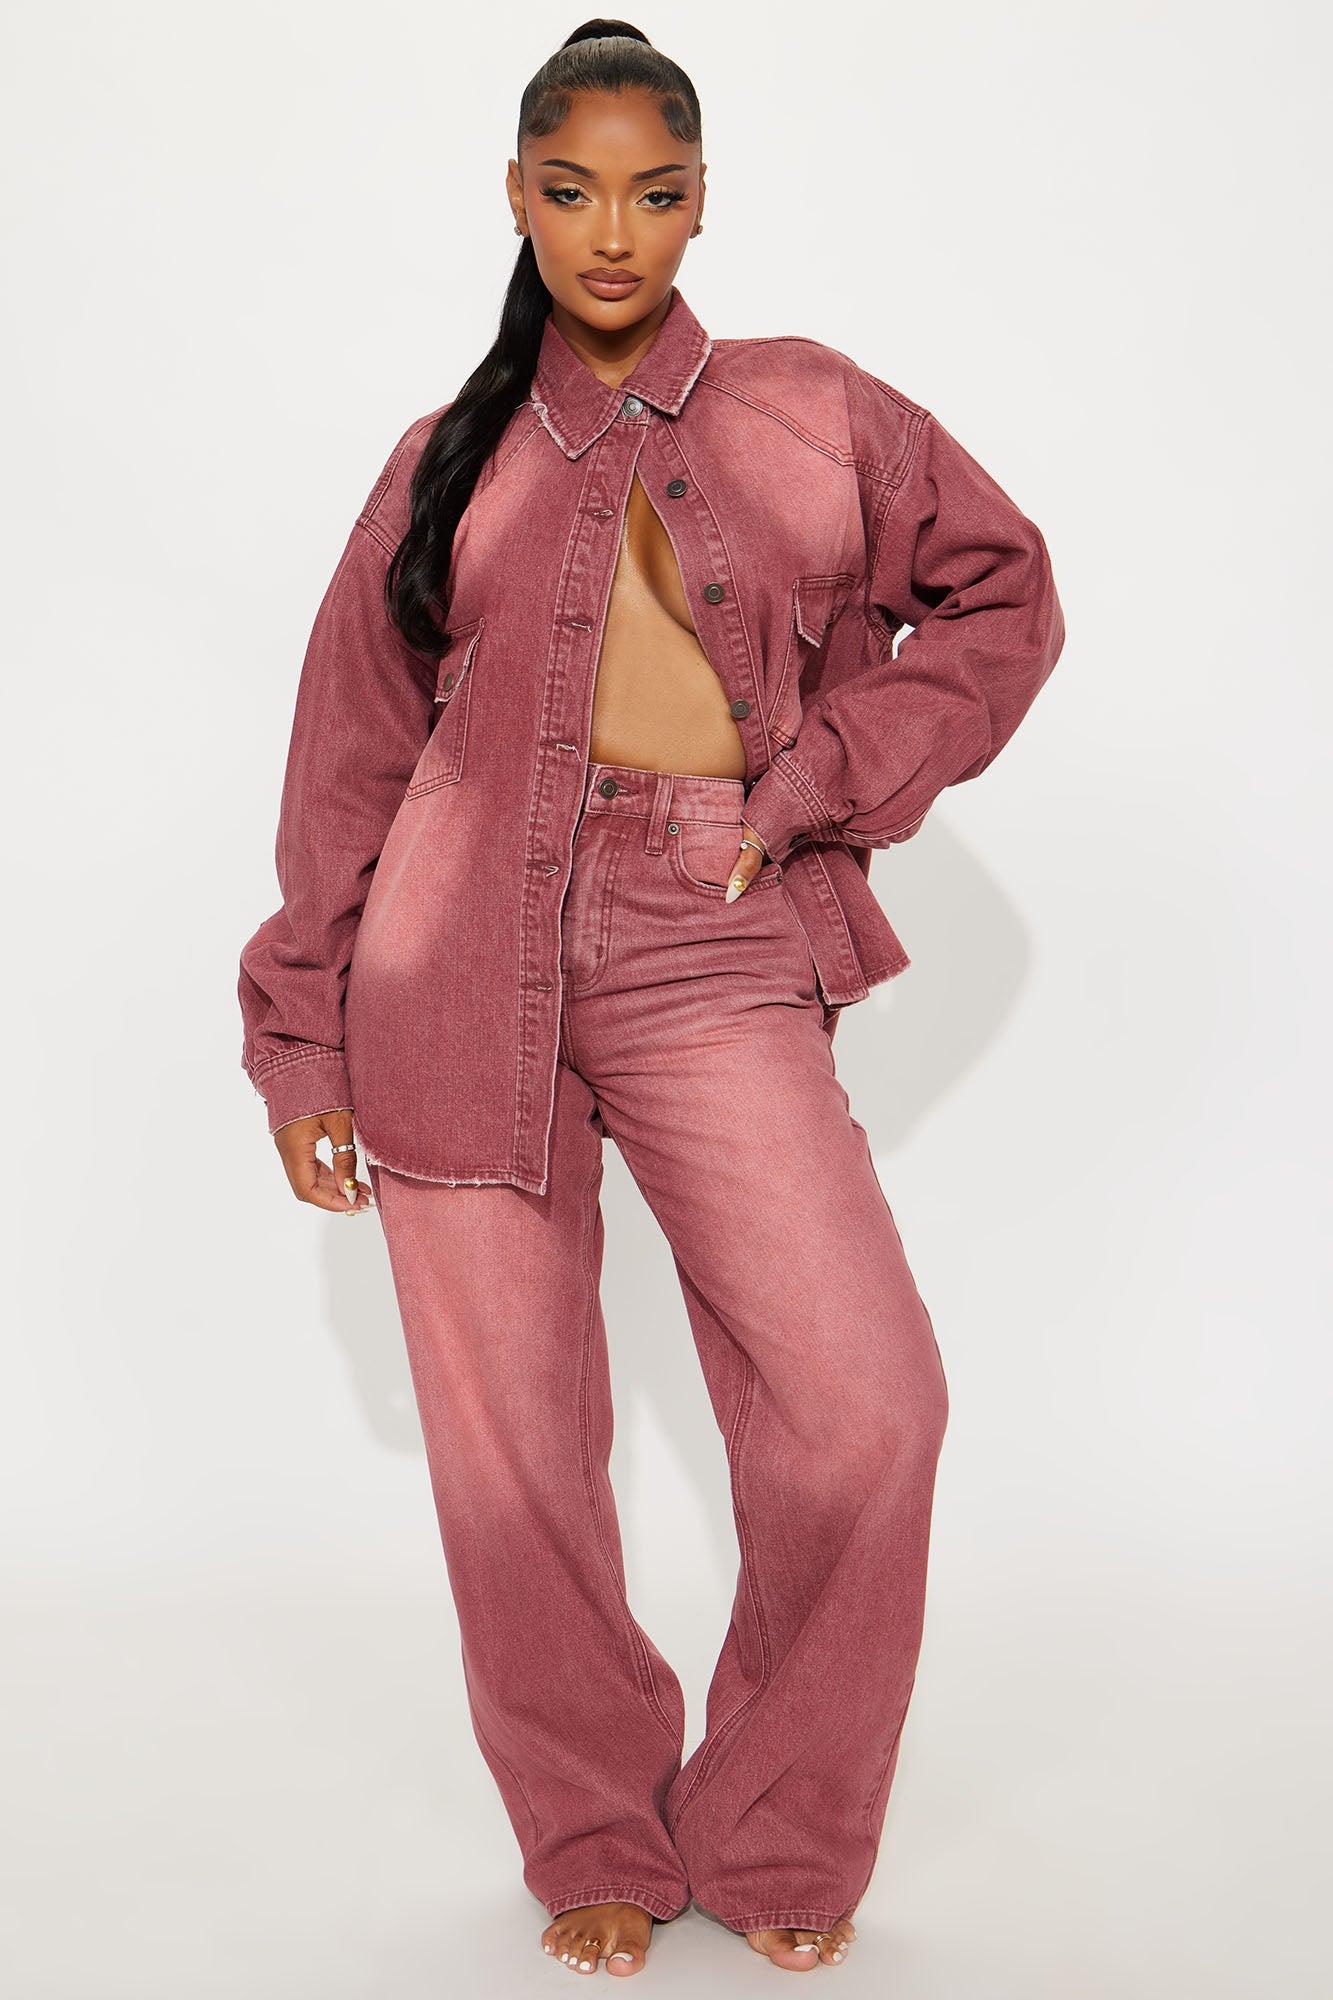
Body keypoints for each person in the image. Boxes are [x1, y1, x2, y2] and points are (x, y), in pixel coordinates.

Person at [237, 17, 1065, 1980]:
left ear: (702, 203)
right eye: (573, 187)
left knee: (865, 1403)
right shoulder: (442, 460)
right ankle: (591, 1827)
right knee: (510, 1443)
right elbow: (351, 759)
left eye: (655, 190)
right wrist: (303, 1035)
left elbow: (1002, 594)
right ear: (518, 198)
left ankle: (775, 1826)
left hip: (713, 921)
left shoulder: (811, 413)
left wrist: (810, 784)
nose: (613, 229)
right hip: (449, 951)